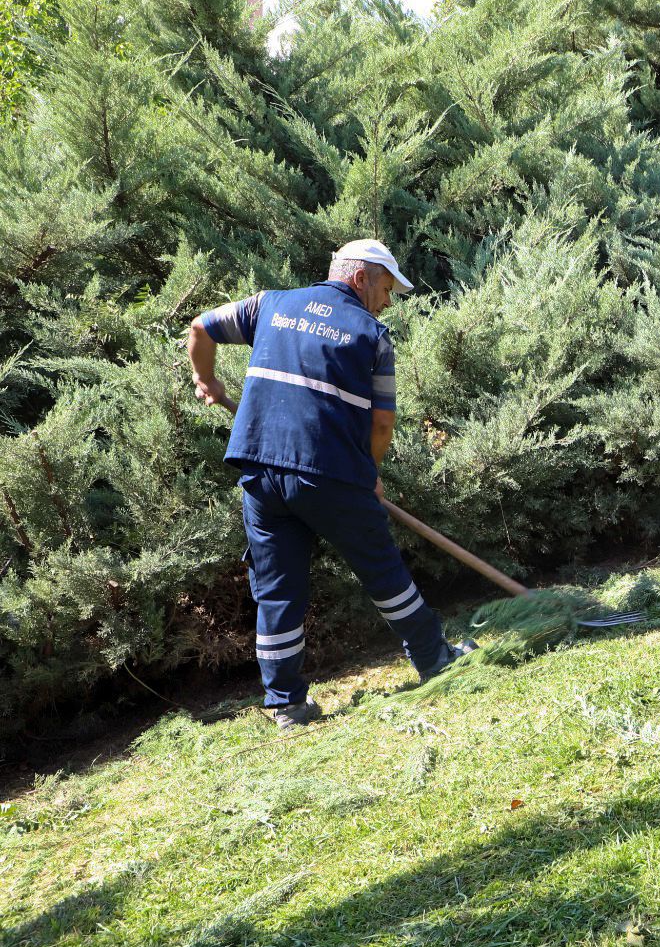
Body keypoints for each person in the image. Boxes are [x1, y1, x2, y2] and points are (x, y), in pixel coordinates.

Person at [187, 239, 473, 730]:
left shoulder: (268, 305)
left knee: (277, 591)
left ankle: (285, 705)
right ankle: (435, 658)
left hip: (261, 475)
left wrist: (207, 380)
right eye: (385, 288)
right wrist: (369, 474)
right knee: (384, 572)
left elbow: (201, 327)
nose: (386, 302)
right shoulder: (373, 336)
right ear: (361, 277)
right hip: (330, 476)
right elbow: (382, 425)